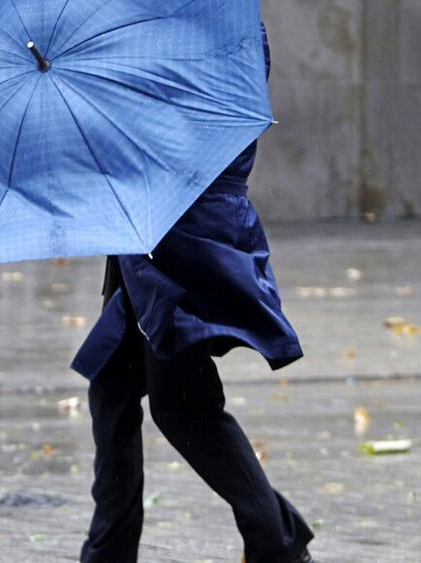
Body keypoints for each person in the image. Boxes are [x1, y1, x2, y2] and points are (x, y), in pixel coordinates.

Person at [72, 27, 314, 563]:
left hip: (179, 242)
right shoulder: (168, 24)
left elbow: (186, 132)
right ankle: (110, 553)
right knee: (113, 389)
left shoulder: (212, 32)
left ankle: (276, 544)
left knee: (185, 408)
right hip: (156, 236)